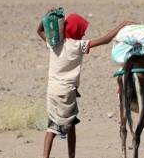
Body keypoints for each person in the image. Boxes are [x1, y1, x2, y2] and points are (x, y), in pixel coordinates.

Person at [37, 12, 134, 158]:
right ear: (76, 31)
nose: (82, 35)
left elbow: (39, 31)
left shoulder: (54, 43)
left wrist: (47, 17)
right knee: (63, 126)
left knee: (56, 125)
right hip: (66, 93)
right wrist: (122, 25)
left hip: (52, 91)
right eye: (81, 32)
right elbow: (105, 40)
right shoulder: (78, 45)